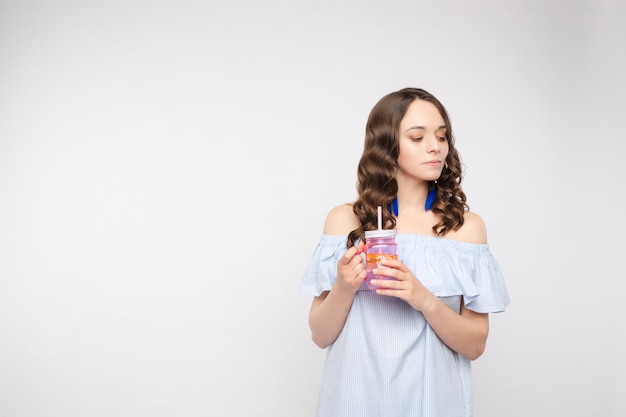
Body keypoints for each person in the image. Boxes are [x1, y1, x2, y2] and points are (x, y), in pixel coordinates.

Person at [299, 87, 510, 417]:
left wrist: (423, 298)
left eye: (442, 136)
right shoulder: (345, 222)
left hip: (432, 405)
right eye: (417, 137)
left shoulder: (466, 229)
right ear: (387, 146)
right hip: (354, 401)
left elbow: (475, 345)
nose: (435, 146)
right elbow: (320, 335)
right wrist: (344, 287)